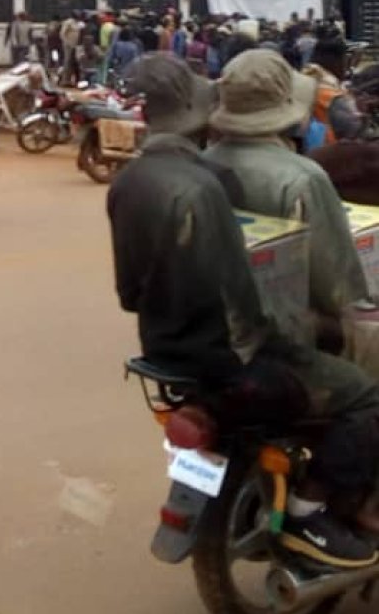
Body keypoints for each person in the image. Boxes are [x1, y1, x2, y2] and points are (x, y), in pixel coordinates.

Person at [109, 53, 379, 568]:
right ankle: (321, 507)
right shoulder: (302, 178)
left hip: (183, 341)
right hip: (270, 342)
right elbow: (340, 291)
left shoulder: (197, 166)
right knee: (367, 389)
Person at [207, 49, 370, 343]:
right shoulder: (303, 177)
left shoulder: (202, 162)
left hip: (222, 324)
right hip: (287, 334)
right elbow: (337, 289)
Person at [304, 29, 364, 144]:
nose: (346, 67)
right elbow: (354, 130)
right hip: (329, 151)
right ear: (337, 61)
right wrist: (363, 111)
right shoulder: (334, 97)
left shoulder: (304, 77)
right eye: (345, 61)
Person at [59, 11, 83, 85]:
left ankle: (70, 80)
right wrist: (67, 43)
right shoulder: (68, 22)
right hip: (68, 46)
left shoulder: (78, 23)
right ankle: (65, 80)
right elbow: (62, 34)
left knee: (74, 63)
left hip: (75, 46)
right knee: (67, 62)